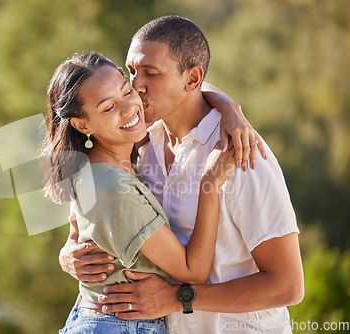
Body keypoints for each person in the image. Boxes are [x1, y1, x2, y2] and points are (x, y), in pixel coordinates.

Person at [59, 16, 304, 333]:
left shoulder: (240, 154)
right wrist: (70, 252)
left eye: (152, 73)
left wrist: (179, 298)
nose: (136, 86)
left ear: (192, 80)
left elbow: (288, 287)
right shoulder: (139, 141)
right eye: (131, 71)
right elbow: (93, 210)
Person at [41, 51, 238, 333]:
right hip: (118, 325)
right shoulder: (111, 186)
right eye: (108, 108)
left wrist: (231, 109)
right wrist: (211, 183)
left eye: (127, 91)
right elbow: (193, 271)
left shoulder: (110, 163)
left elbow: (187, 86)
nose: (129, 108)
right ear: (82, 125)